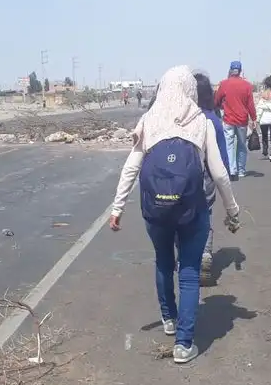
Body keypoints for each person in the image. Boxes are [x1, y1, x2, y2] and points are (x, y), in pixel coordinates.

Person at [109, 65, 241, 363]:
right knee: (190, 271)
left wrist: (117, 208)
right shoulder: (200, 120)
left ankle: (168, 319)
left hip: (155, 210)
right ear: (189, 90)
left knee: (164, 261)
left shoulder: (149, 119)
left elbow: (131, 168)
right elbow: (219, 174)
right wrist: (232, 210)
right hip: (191, 209)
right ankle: (184, 344)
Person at [191, 70, 231, 285]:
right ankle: (205, 254)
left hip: (183, 179)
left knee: (183, 216)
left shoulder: (181, 119)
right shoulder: (212, 120)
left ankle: (187, 258)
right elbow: (222, 156)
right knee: (204, 214)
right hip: (207, 177)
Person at [214, 61, 257, 178]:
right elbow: (250, 104)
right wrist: (254, 119)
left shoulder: (224, 84)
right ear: (240, 71)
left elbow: (217, 100)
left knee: (229, 145)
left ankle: (232, 170)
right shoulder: (247, 85)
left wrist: (219, 107)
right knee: (242, 145)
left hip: (228, 119)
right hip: (242, 120)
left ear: (230, 70)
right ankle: (241, 170)